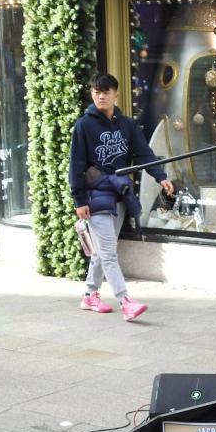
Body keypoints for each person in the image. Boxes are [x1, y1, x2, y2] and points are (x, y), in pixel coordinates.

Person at [69, 73, 174, 321]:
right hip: (96, 195)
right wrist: (79, 200)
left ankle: (89, 295)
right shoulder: (84, 125)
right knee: (107, 252)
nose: (101, 96)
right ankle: (125, 300)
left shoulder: (126, 125)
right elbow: (76, 165)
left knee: (103, 250)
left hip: (119, 195)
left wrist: (160, 176)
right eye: (96, 91)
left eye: (105, 91)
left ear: (116, 93)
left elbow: (144, 154)